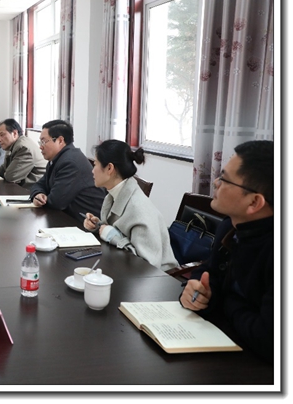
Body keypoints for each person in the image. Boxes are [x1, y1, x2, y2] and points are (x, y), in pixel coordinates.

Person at [179, 140, 273, 362]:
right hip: (225, 344)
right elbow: (209, 271)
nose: (215, 183)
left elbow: (269, 340)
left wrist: (223, 300)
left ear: (254, 202)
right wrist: (196, 291)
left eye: (224, 179)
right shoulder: (230, 226)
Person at [83, 140, 177, 271]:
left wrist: (112, 236)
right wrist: (98, 226)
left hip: (156, 277)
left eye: (95, 164)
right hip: (121, 267)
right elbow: (119, 230)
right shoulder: (113, 194)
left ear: (109, 168)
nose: (92, 171)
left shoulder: (139, 209)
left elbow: (147, 265)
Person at [30, 120, 106, 221]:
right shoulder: (57, 159)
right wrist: (38, 194)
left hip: (84, 223)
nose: (40, 146)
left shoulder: (70, 162)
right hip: (67, 218)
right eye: (40, 142)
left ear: (60, 141)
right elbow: (39, 184)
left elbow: (56, 202)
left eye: (44, 141)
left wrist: (42, 198)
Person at [0, 118, 46, 188]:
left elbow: (11, 177)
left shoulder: (23, 148)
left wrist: (2, 171)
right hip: (20, 188)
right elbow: (3, 168)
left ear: (14, 133)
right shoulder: (12, 145)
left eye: (2, 135)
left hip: (31, 192)